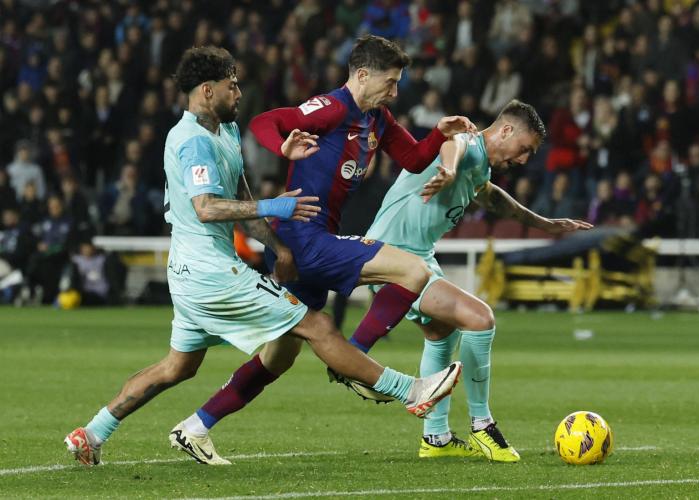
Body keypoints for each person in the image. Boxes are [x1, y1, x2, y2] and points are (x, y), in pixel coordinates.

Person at [63, 46, 462, 467]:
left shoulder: (226, 132)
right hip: (211, 272)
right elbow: (206, 207)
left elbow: (240, 201)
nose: (239, 93)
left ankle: (96, 432)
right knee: (320, 325)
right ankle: (410, 390)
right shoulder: (193, 141)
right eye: (231, 85)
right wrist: (276, 205)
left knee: (181, 367)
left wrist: (277, 246)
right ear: (207, 90)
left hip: (195, 271)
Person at [166, 36, 475, 458]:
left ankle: (196, 426)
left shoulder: (377, 119)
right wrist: (283, 146)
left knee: (279, 357)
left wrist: (439, 133)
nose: (394, 92)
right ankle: (357, 362)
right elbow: (266, 122)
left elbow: (415, 159)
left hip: (311, 240)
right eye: (389, 82)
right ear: (362, 75)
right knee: (414, 270)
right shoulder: (331, 108)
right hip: (303, 236)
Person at [361, 100, 592, 461]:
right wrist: (449, 169)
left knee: (443, 334)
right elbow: (450, 142)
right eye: (524, 149)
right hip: (392, 258)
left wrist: (545, 224)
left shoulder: (480, 166)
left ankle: (435, 438)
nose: (523, 160)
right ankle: (483, 426)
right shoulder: (468, 144)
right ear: (506, 130)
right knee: (480, 319)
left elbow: (493, 198)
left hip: (414, 257)